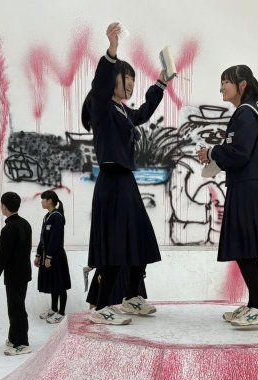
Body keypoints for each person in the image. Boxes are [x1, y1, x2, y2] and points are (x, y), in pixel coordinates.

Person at [81, 22, 174, 325]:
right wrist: (111, 50)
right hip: (112, 182)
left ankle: (132, 296)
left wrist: (160, 83)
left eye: (134, 79)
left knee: (141, 239)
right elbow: (100, 82)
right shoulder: (101, 107)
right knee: (116, 244)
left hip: (127, 182)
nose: (131, 83)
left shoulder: (123, 111)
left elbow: (145, 112)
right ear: (114, 80)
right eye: (127, 78)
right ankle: (102, 307)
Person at [197, 65, 258, 327]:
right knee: (245, 248)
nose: (221, 88)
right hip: (244, 187)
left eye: (226, 82)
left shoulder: (246, 114)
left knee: (246, 247)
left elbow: (239, 153)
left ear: (242, 85)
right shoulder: (245, 113)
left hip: (249, 189)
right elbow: (238, 153)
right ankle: (254, 303)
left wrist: (212, 153)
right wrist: (217, 154)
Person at [0, 192, 33, 356]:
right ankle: (14, 338)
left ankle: (22, 343)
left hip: (14, 274)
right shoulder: (25, 224)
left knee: (16, 309)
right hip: (24, 272)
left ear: (4, 207)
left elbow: (2, 255)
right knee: (16, 307)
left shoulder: (8, 229)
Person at [35, 190, 72, 323]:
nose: (41, 202)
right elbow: (42, 238)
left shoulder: (57, 217)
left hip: (56, 256)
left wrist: (49, 257)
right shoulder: (47, 217)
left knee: (59, 284)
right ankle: (53, 309)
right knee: (52, 283)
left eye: (43, 199)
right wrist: (39, 254)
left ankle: (61, 312)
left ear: (50, 200)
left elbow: (55, 239)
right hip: (46, 255)